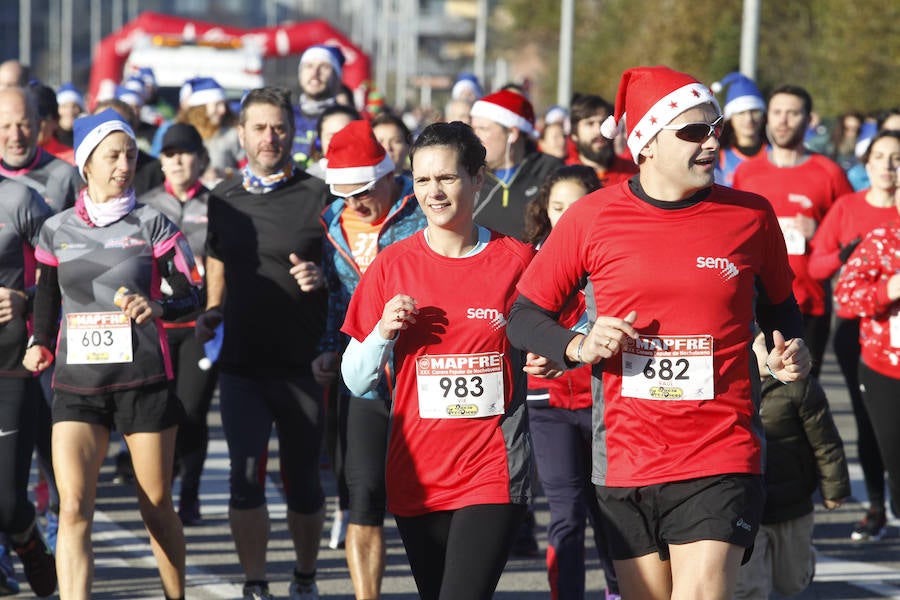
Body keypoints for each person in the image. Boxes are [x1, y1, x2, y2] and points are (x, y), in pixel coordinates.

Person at [506, 65, 811, 600]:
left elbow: (782, 309)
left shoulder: (751, 215)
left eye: (714, 126)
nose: (712, 141)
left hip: (721, 448)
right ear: (645, 143)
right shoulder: (591, 217)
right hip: (627, 454)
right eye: (693, 132)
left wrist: (792, 350)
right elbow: (525, 316)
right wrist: (578, 344)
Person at [340, 120, 535, 600]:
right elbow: (355, 378)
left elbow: (568, 332)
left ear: (476, 179)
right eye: (423, 179)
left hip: (493, 468)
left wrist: (558, 355)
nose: (435, 191)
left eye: (447, 177)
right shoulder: (392, 265)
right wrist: (382, 332)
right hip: (418, 472)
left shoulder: (517, 260)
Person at [23, 107, 202, 600]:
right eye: (112, 156)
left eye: (129, 154)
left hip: (143, 382)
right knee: (74, 505)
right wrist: (39, 341)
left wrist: (157, 304)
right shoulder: (55, 229)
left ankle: (175, 594)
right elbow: (46, 294)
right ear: (86, 162)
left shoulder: (153, 223)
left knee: (156, 505)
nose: (124, 165)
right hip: (77, 385)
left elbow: (192, 292)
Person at [194, 87, 330, 600]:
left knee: (304, 482)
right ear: (242, 133)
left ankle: (305, 576)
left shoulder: (319, 195)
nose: (269, 137)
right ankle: (255, 583)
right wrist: (212, 308)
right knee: (245, 478)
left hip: (300, 364)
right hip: (241, 366)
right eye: (259, 128)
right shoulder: (222, 197)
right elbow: (217, 258)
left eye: (278, 128)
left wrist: (323, 276)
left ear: (293, 132)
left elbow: (343, 270)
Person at [315, 119, 425, 600]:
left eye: (362, 190)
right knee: (362, 499)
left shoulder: (422, 210)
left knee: (429, 501)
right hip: (363, 376)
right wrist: (325, 348)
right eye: (344, 193)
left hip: (423, 375)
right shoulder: (333, 222)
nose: (354, 202)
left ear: (385, 172)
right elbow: (335, 299)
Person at [522, 164, 620, 600]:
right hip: (549, 406)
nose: (567, 217)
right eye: (558, 207)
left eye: (577, 206)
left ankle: (620, 592)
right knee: (565, 513)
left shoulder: (618, 256)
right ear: (545, 210)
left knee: (612, 514)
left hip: (608, 402)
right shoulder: (531, 259)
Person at [807, 130, 900, 540]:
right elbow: (817, 267)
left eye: (896, 157)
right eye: (879, 156)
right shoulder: (848, 208)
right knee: (869, 419)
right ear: (867, 165)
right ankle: (878, 506)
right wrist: (845, 256)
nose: (887, 165)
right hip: (860, 329)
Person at [733, 84, 854, 378]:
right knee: (760, 401)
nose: (783, 121)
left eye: (792, 113)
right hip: (756, 302)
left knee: (802, 397)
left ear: (808, 119)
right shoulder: (746, 173)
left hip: (809, 302)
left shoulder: (829, 172)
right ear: (767, 118)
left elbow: (853, 237)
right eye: (776, 112)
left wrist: (821, 231)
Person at [138, 123, 217, 527]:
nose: (178, 161)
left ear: (201, 159)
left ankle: (189, 492)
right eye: (169, 154)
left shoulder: (218, 204)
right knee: (160, 412)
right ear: (161, 161)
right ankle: (163, 487)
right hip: (157, 329)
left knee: (193, 412)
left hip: (200, 328)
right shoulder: (145, 205)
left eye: (185, 153)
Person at [733, 329, 850, 598]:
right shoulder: (728, 386)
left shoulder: (801, 387)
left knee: (791, 582)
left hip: (792, 503)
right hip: (744, 504)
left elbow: (825, 442)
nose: (760, 353)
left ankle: (806, 559)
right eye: (752, 345)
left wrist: (834, 490)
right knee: (749, 587)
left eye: (764, 344)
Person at [833, 173, 900, 553]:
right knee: (892, 453)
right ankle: (885, 505)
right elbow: (847, 295)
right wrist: (888, 290)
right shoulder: (882, 240)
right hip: (885, 369)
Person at [0, 163, 56, 598]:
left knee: (7, 500)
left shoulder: (19, 199)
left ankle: (28, 542)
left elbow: (61, 264)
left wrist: (26, 298)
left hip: (9, 362)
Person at [470, 89, 564, 241]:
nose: (474, 138)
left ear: (512, 133)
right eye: (473, 129)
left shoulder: (551, 171)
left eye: (483, 129)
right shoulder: (469, 175)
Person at [0, 86, 80, 213]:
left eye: (24, 125)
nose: (15, 136)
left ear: (38, 125)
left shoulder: (65, 176)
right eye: (6, 126)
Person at [176, 77, 243, 187]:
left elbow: (249, 173)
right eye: (216, 105)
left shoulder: (232, 135)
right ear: (201, 108)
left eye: (224, 105)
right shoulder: (182, 134)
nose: (223, 110)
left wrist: (226, 174)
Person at [564, 93, 637, 186]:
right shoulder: (564, 178)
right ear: (574, 133)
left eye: (603, 122)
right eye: (590, 123)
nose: (599, 131)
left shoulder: (633, 175)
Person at [709, 72, 767, 186]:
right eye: (741, 113)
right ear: (731, 118)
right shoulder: (718, 157)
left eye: (754, 112)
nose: (749, 119)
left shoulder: (777, 154)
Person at [293, 45, 346, 169]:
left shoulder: (346, 120)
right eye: (309, 66)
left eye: (324, 67)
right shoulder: (285, 115)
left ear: (337, 78)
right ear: (300, 75)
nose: (315, 73)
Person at [304, 104, 361, 180]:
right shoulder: (309, 179)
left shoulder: (377, 175)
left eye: (346, 136)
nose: (339, 143)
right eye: (332, 137)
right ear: (319, 142)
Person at [371, 112, 412, 177]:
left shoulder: (420, 185)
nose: (387, 147)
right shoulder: (359, 185)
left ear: (408, 146)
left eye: (396, 141)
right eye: (379, 142)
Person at [55, 83, 84, 150]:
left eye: (74, 106)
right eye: (65, 106)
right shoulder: (50, 137)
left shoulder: (84, 137)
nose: (70, 111)